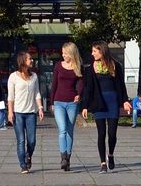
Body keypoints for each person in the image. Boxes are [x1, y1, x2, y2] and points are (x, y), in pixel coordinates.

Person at [80, 43, 131, 173]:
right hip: (98, 102)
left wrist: (125, 101)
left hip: (112, 101)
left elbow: (121, 85)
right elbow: (88, 88)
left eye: (94, 51)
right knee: (101, 133)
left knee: (112, 133)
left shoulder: (115, 65)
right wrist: (85, 106)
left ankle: (111, 155)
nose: (92, 54)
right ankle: (103, 163)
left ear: (102, 51)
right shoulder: (91, 68)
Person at [7, 50, 44, 174]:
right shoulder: (13, 76)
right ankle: (23, 164)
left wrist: (40, 108)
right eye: (30, 59)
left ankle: (29, 155)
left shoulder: (34, 76)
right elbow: (10, 97)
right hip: (18, 113)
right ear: (23, 61)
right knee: (21, 140)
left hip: (31, 113)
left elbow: (37, 93)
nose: (32, 60)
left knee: (32, 140)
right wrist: (10, 112)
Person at [51, 42, 84, 170]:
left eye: (65, 53)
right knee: (62, 129)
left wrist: (79, 94)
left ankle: (68, 158)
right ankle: (63, 157)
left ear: (71, 54)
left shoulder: (78, 66)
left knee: (70, 131)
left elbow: (81, 82)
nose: (63, 55)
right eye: (62, 53)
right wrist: (51, 102)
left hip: (72, 102)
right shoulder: (58, 66)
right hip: (59, 101)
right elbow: (54, 84)